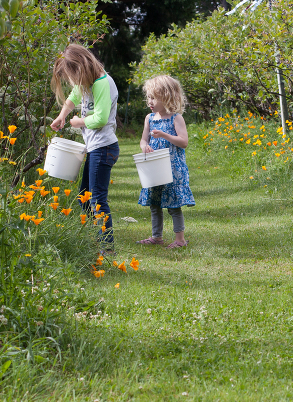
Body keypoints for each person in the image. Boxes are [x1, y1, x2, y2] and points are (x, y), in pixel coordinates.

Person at [50, 45, 119, 250]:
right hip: (95, 148)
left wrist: (78, 122)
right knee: (84, 197)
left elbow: (100, 119)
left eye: (74, 76)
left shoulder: (102, 83)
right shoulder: (88, 81)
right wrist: (63, 115)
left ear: (81, 67)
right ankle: (97, 235)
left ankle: (106, 246)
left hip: (104, 147)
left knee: (97, 199)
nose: (75, 83)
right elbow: (74, 96)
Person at [136, 75, 194, 248]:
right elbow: (143, 140)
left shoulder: (176, 118)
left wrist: (164, 135)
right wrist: (144, 146)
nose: (150, 101)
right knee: (154, 203)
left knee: (173, 204)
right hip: (154, 167)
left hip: (172, 168)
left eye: (154, 97)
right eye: (149, 97)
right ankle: (157, 236)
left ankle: (180, 239)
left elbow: (183, 142)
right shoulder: (150, 118)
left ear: (167, 97)